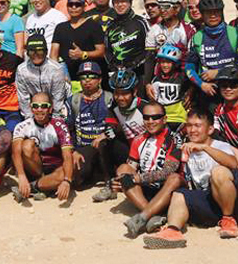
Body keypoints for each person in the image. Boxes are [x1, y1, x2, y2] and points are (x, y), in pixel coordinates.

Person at [147, 109, 238, 246]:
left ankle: (228, 220)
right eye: (189, 125)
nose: (192, 130)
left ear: (209, 130)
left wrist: (205, 148)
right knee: (179, 194)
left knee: (218, 172)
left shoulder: (221, 145)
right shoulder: (186, 148)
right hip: (211, 205)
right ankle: (173, 232)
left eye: (197, 125)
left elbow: (234, 164)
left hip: (237, 204)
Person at [115, 102, 182, 239]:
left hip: (167, 192)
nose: (150, 121)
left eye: (155, 117)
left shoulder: (175, 139)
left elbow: (168, 172)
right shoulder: (138, 139)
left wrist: (135, 179)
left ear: (164, 119)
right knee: (123, 168)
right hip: (145, 192)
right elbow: (130, 168)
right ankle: (153, 215)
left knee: (174, 178)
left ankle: (143, 216)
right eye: (146, 117)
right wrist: (117, 182)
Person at [185, 0, 238, 102]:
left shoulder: (235, 33)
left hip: (233, 91)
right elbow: (189, 66)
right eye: (208, 12)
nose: (213, 15)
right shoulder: (196, 37)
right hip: (208, 93)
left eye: (216, 11)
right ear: (202, 14)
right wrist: (201, 85)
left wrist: (219, 72)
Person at [11, 92, 74, 202]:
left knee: (67, 174)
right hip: (36, 168)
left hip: (56, 167)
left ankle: (33, 188)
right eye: (35, 106)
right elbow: (15, 152)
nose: (39, 109)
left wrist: (67, 181)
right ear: (31, 108)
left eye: (44, 106)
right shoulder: (22, 126)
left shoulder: (60, 125)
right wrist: (21, 176)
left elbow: (67, 156)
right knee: (26, 145)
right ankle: (46, 186)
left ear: (50, 109)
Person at [68, 61, 117, 195]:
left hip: (105, 144)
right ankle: (93, 173)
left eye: (92, 77)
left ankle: (109, 183)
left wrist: (105, 135)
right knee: (77, 181)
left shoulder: (110, 98)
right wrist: (72, 151)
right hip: (83, 146)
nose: (87, 81)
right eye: (83, 78)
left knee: (102, 144)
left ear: (100, 79)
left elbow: (119, 125)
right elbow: (68, 128)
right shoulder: (73, 100)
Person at [51, 0, 106, 88]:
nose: (73, 7)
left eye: (77, 4)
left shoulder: (94, 26)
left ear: (84, 6)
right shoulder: (60, 27)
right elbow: (53, 55)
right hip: (66, 80)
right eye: (70, 4)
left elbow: (101, 52)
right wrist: (59, 74)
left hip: (88, 80)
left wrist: (83, 54)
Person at [16, 34, 68, 119]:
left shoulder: (56, 69)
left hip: (60, 102)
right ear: (27, 53)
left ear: (46, 52)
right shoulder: (21, 70)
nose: (36, 55)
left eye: (40, 51)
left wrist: (55, 119)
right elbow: (23, 98)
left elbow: (58, 97)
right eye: (32, 51)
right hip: (37, 105)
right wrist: (29, 120)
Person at [212, 66, 238, 157]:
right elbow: (216, 135)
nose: (228, 89)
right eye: (224, 86)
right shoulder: (219, 110)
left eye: (233, 86)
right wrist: (235, 152)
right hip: (231, 155)